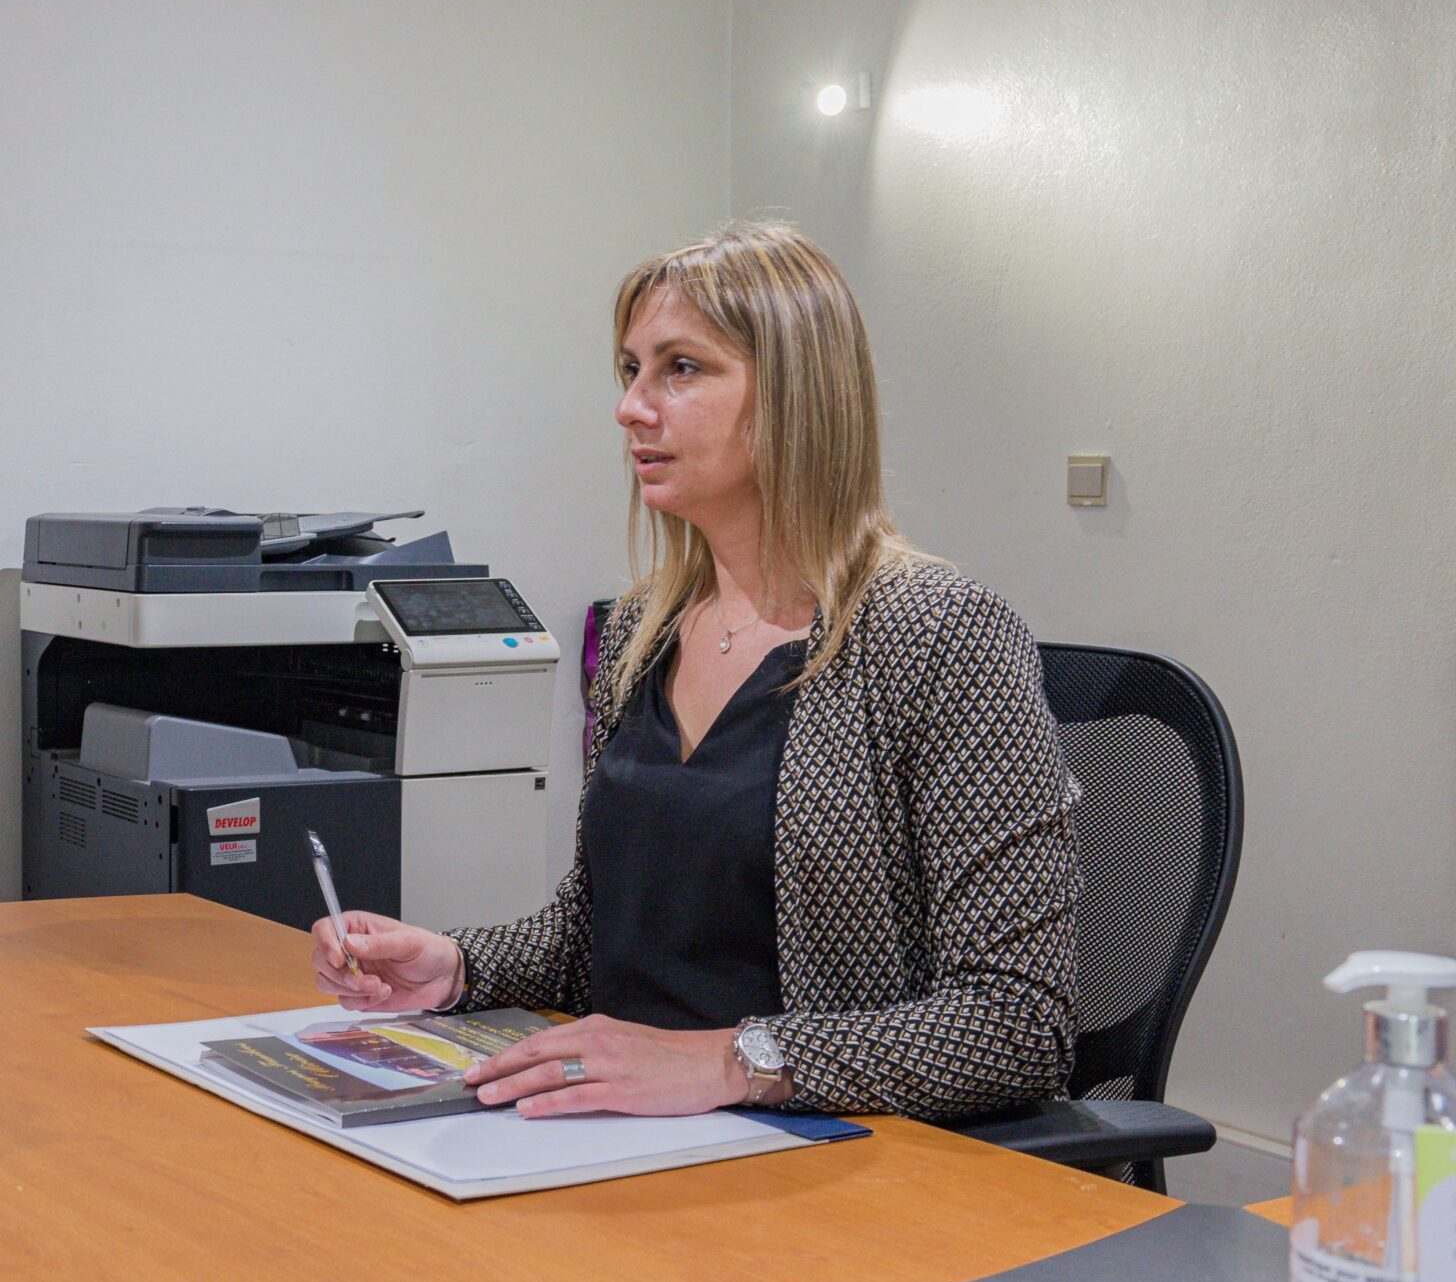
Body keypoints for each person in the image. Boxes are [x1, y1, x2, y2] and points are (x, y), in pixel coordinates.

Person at [309, 223, 1080, 1123]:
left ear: (797, 397)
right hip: (623, 1136)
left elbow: (1020, 1022)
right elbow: (602, 938)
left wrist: (732, 1061)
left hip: (830, 1155)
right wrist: (456, 965)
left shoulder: (940, 635)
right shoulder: (642, 631)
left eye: (680, 368)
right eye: (630, 370)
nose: (633, 407)